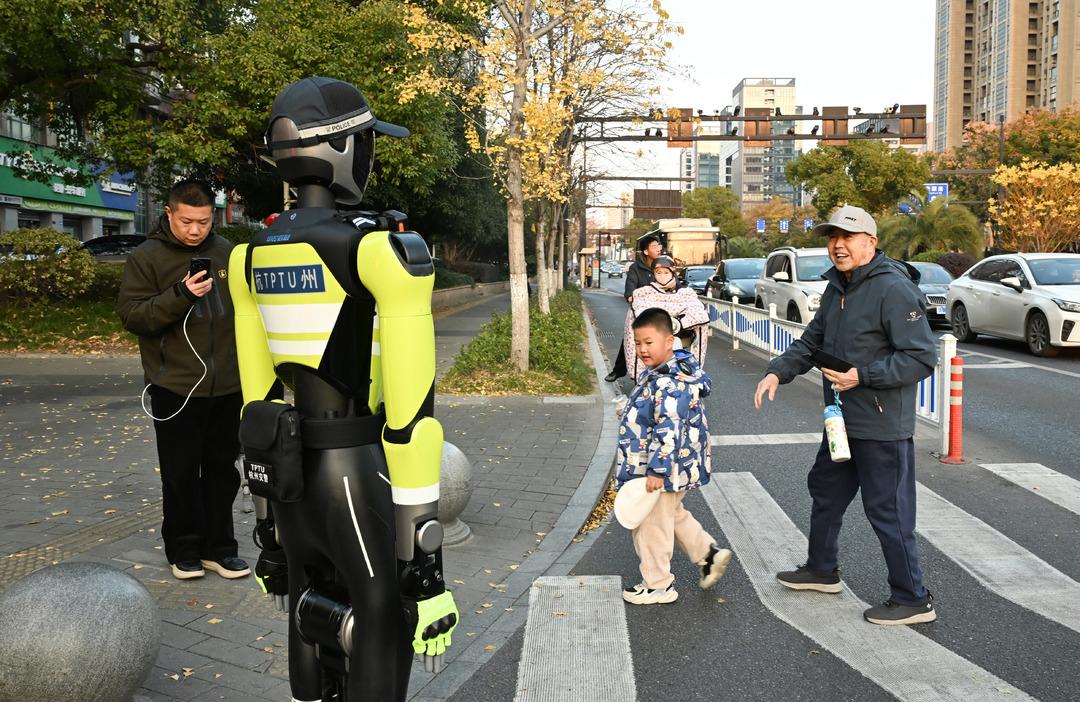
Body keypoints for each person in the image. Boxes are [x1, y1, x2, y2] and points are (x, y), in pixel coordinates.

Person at [752, 204, 939, 626]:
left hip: (880, 423)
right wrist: (777, 372)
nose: (838, 245)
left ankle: (913, 598)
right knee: (826, 491)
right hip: (841, 419)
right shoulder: (839, 288)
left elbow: (921, 358)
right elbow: (812, 342)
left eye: (848, 237)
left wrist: (863, 376)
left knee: (888, 511)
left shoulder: (893, 288)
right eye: (832, 237)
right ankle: (821, 569)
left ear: (870, 242)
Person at [117, 180, 249, 582]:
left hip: (228, 384)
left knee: (223, 470)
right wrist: (181, 294)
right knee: (180, 473)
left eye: (204, 222)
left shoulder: (227, 252)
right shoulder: (147, 257)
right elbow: (133, 316)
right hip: (174, 385)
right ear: (170, 214)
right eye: (187, 221)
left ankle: (219, 549)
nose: (195, 230)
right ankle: (184, 549)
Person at [615, 307, 732, 605]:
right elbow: (657, 415)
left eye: (649, 342)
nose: (642, 349)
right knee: (672, 515)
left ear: (669, 341)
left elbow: (669, 427)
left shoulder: (670, 381)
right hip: (678, 465)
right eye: (637, 343)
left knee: (651, 525)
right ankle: (708, 554)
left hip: (663, 468)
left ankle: (658, 585)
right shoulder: (676, 369)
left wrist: (656, 470)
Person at [621, 255, 710, 380]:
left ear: (672, 272)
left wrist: (680, 322)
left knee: (701, 325)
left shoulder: (685, 293)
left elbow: (699, 313)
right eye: (658, 272)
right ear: (653, 274)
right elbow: (640, 311)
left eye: (666, 272)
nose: (662, 276)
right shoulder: (644, 293)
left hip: (680, 335)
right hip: (654, 334)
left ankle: (694, 370)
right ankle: (640, 375)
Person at [605, 234, 662, 382]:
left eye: (659, 246)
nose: (658, 249)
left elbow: (676, 284)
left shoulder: (663, 265)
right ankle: (618, 370)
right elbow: (629, 291)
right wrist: (632, 297)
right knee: (631, 337)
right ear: (645, 251)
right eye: (654, 247)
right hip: (643, 312)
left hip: (665, 312)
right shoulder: (635, 269)